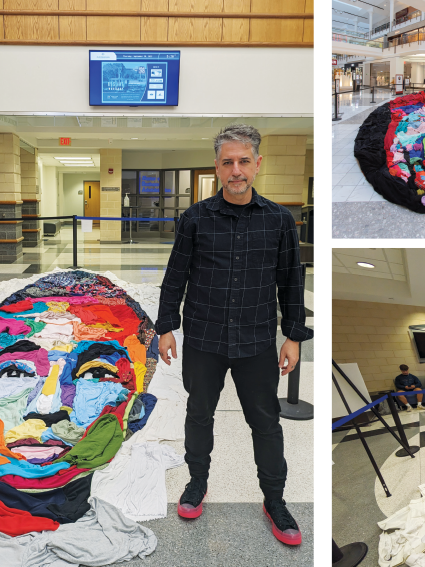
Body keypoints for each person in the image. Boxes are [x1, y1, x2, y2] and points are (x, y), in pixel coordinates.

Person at [156, 123, 310, 546]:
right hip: (204, 339)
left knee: (265, 422)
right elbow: (176, 276)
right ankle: (196, 483)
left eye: (244, 161)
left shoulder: (279, 220)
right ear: (217, 167)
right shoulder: (195, 218)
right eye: (228, 162)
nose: (236, 170)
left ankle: (274, 500)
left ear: (258, 165)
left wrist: (293, 336)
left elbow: (291, 283)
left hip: (257, 342)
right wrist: (166, 325)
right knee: (198, 414)